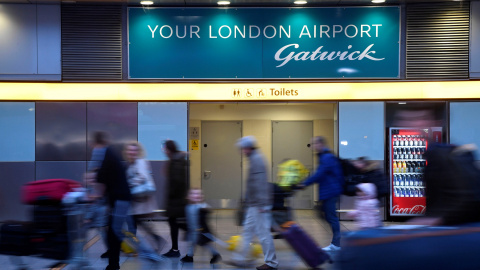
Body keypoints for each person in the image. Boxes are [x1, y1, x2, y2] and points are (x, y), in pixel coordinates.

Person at [394, 108, 480, 226]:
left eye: (419, 119)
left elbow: (470, 198)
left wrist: (436, 220)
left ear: (436, 123)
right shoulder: (431, 153)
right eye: (404, 119)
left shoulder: (450, 155)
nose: (410, 124)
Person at [227, 136, 278, 270]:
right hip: (253, 204)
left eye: (242, 149)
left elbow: (261, 184)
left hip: (259, 205)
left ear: (248, 148)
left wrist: (261, 204)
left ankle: (271, 263)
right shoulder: (253, 158)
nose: (241, 151)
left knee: (264, 234)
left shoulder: (257, 160)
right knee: (247, 231)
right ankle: (239, 259)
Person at [92, 131, 132, 270]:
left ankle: (148, 254)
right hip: (118, 199)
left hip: (120, 199)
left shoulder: (104, 154)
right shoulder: (109, 153)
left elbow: (100, 179)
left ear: (97, 143)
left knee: (115, 232)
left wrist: (93, 196)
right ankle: (113, 264)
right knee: (112, 232)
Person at [299, 136, 343, 251]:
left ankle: (336, 243)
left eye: (313, 144)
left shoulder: (327, 157)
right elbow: (320, 174)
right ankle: (336, 239)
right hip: (328, 191)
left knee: (331, 217)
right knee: (323, 214)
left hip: (330, 191)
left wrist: (305, 183)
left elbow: (319, 174)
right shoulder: (325, 156)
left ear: (320, 144)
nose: (312, 147)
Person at [123, 141, 165, 252]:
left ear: (138, 151)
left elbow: (142, 177)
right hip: (137, 199)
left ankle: (142, 244)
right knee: (138, 222)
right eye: (130, 150)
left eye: (134, 150)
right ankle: (154, 240)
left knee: (135, 221)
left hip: (141, 199)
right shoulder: (131, 163)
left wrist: (129, 183)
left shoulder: (140, 162)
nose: (132, 152)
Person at [180, 188, 221, 264]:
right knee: (192, 243)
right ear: (187, 196)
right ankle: (189, 256)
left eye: (198, 194)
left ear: (201, 197)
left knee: (204, 244)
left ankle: (215, 254)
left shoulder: (201, 207)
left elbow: (205, 212)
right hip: (192, 230)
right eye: (193, 193)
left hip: (200, 230)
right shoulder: (188, 206)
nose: (196, 195)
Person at [162, 140, 189, 258]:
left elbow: (177, 182)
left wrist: (171, 195)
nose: (164, 151)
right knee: (174, 223)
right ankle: (175, 249)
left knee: (177, 224)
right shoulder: (176, 160)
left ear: (169, 149)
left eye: (165, 149)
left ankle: (176, 249)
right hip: (177, 200)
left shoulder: (176, 161)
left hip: (176, 200)